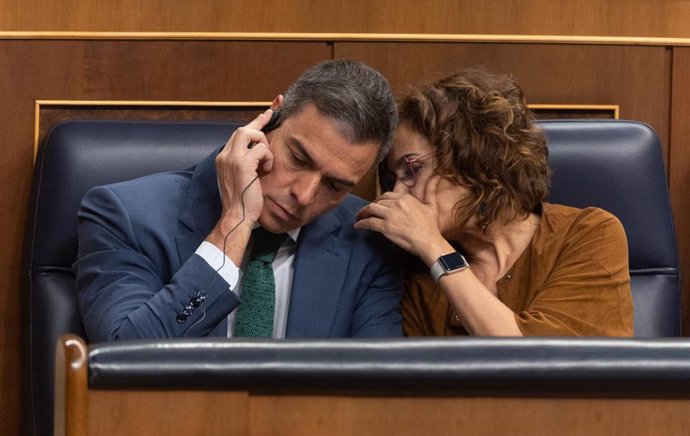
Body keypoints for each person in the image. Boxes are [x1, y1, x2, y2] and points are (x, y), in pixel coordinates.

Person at [75, 59, 403, 342]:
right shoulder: (127, 215)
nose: (304, 196)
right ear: (270, 119)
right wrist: (234, 223)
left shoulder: (366, 244)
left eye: (334, 185)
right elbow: (126, 360)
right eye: (299, 159)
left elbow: (379, 393)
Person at [355, 67, 633, 336]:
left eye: (412, 169)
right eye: (394, 179)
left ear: (472, 158)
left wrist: (435, 248)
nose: (399, 195)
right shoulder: (417, 275)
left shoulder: (590, 233)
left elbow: (545, 365)